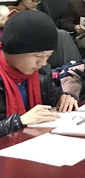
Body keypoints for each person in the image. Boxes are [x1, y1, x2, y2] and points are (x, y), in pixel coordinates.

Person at [0, 10, 79, 138]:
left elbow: (54, 98)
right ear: (14, 50)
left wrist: (65, 98)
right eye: (38, 56)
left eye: (48, 56)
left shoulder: (40, 73)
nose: (43, 63)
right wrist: (19, 121)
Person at [0, 0, 81, 67]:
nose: (35, 3)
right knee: (61, 34)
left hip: (39, 38)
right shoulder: (7, 11)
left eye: (37, 1)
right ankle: (73, 64)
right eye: (32, 0)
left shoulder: (35, 12)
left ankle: (74, 64)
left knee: (61, 34)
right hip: (24, 40)